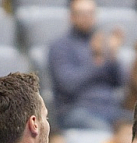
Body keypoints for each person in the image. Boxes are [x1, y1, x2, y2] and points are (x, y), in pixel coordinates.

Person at [48, 0, 125, 130]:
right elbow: (68, 85)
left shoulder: (103, 42)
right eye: (81, 13)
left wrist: (112, 55)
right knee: (104, 132)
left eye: (90, 13)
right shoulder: (60, 46)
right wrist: (97, 61)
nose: (86, 17)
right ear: (71, 16)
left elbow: (120, 81)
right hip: (77, 110)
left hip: (110, 108)